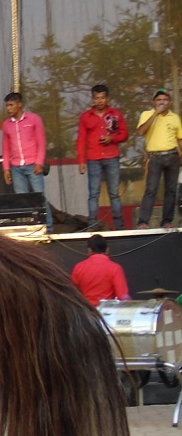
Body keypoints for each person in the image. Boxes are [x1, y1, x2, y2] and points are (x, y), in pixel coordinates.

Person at [76, 84, 129, 231]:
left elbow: (124, 134)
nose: (100, 101)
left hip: (112, 156)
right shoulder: (86, 117)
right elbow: (81, 140)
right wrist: (81, 161)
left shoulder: (115, 114)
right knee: (94, 193)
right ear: (93, 99)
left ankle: (119, 226)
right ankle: (92, 224)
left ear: (107, 98)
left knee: (114, 193)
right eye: (97, 98)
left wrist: (112, 138)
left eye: (102, 98)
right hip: (93, 158)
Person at [1, 91, 51, 230]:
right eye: (7, 106)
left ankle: (49, 227)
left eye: (11, 105)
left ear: (19, 104)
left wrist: (39, 162)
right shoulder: (7, 125)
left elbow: (42, 142)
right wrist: (6, 168)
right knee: (21, 200)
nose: (8, 108)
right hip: (16, 167)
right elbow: (5, 149)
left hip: (33, 165)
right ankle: (28, 228)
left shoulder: (34, 119)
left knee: (39, 197)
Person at [134, 88, 182, 229]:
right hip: (155, 157)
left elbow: (180, 138)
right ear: (153, 102)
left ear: (169, 102)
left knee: (171, 190)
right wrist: (156, 113)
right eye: (159, 100)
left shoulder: (175, 117)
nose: (162, 102)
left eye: (165, 100)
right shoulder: (147, 114)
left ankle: (167, 220)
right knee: (151, 189)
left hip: (172, 155)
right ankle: (143, 221)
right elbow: (141, 131)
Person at [70, 234, 129, 308]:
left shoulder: (79, 267)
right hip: (106, 312)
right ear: (107, 250)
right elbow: (122, 296)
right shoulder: (115, 268)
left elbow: (71, 292)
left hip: (86, 312)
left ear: (89, 250)